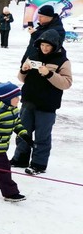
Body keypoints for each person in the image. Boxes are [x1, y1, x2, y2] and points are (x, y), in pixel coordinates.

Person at [11, 29, 73, 175]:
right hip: (28, 101)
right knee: (23, 132)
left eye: (48, 46)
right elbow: (21, 79)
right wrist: (24, 70)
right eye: (43, 45)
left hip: (47, 105)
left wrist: (50, 74)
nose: (44, 48)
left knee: (42, 136)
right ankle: (20, 158)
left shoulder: (62, 61)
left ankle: (38, 164)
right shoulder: (32, 55)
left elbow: (67, 83)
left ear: (55, 46)